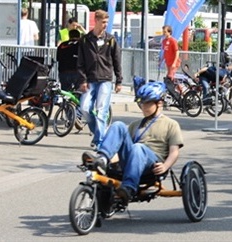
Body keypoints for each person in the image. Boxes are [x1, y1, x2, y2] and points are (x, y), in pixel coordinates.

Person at [81, 81, 183, 204]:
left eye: (147, 103)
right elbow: (120, 150)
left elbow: (174, 152)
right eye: (142, 103)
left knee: (138, 147)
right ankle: (102, 159)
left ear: (159, 103)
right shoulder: (135, 125)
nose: (143, 107)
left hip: (153, 163)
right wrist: (109, 163)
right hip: (132, 159)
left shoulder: (171, 124)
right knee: (118, 125)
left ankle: (128, 188)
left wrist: (165, 166)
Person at [78, 10, 123, 148]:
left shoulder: (111, 40)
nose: (105, 25)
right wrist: (82, 80)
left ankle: (100, 141)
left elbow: (117, 60)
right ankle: (97, 133)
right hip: (90, 79)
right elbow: (80, 63)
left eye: (106, 22)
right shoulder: (85, 40)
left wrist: (119, 80)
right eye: (103, 22)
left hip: (105, 79)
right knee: (84, 108)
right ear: (96, 20)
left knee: (101, 111)